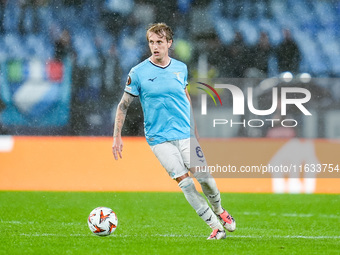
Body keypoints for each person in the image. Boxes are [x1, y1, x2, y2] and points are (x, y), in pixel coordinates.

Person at [112, 23, 236, 240]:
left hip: (185, 134)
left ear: (169, 43)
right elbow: (123, 105)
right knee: (186, 183)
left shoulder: (181, 68)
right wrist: (117, 137)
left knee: (205, 178)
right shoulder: (138, 73)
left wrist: (194, 127)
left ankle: (220, 210)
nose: (155, 46)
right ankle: (215, 227)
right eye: (151, 42)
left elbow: (186, 97)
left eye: (159, 42)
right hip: (158, 139)